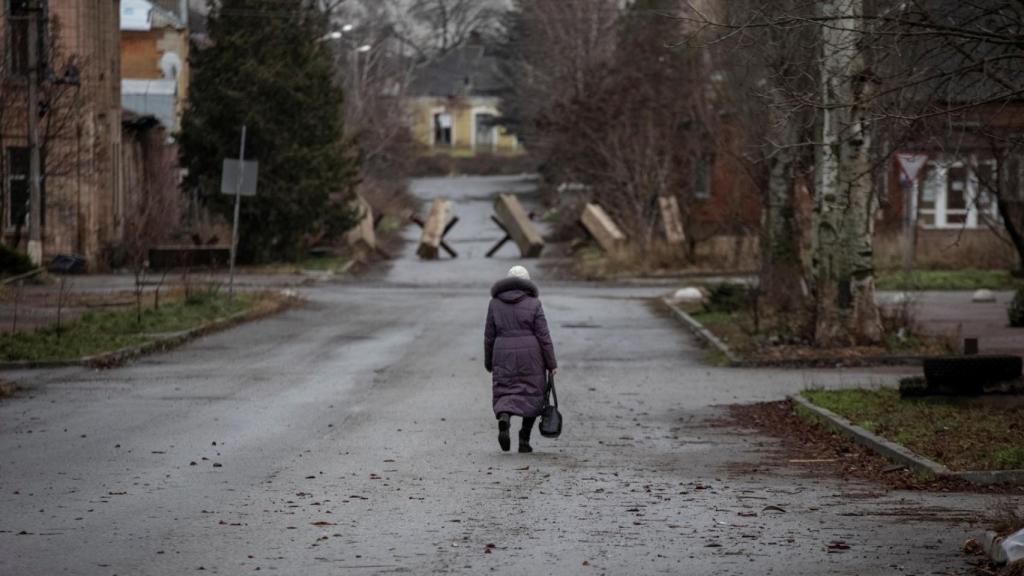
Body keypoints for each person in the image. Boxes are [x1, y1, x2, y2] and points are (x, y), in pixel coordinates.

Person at [484, 265, 557, 453]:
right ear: (528, 282)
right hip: (531, 356)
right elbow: (544, 336)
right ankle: (524, 439)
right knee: (532, 394)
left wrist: (488, 361)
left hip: (503, 353)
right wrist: (551, 363)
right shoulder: (534, 303)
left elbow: (489, 335)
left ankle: (505, 417)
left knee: (505, 390)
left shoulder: (495, 303)